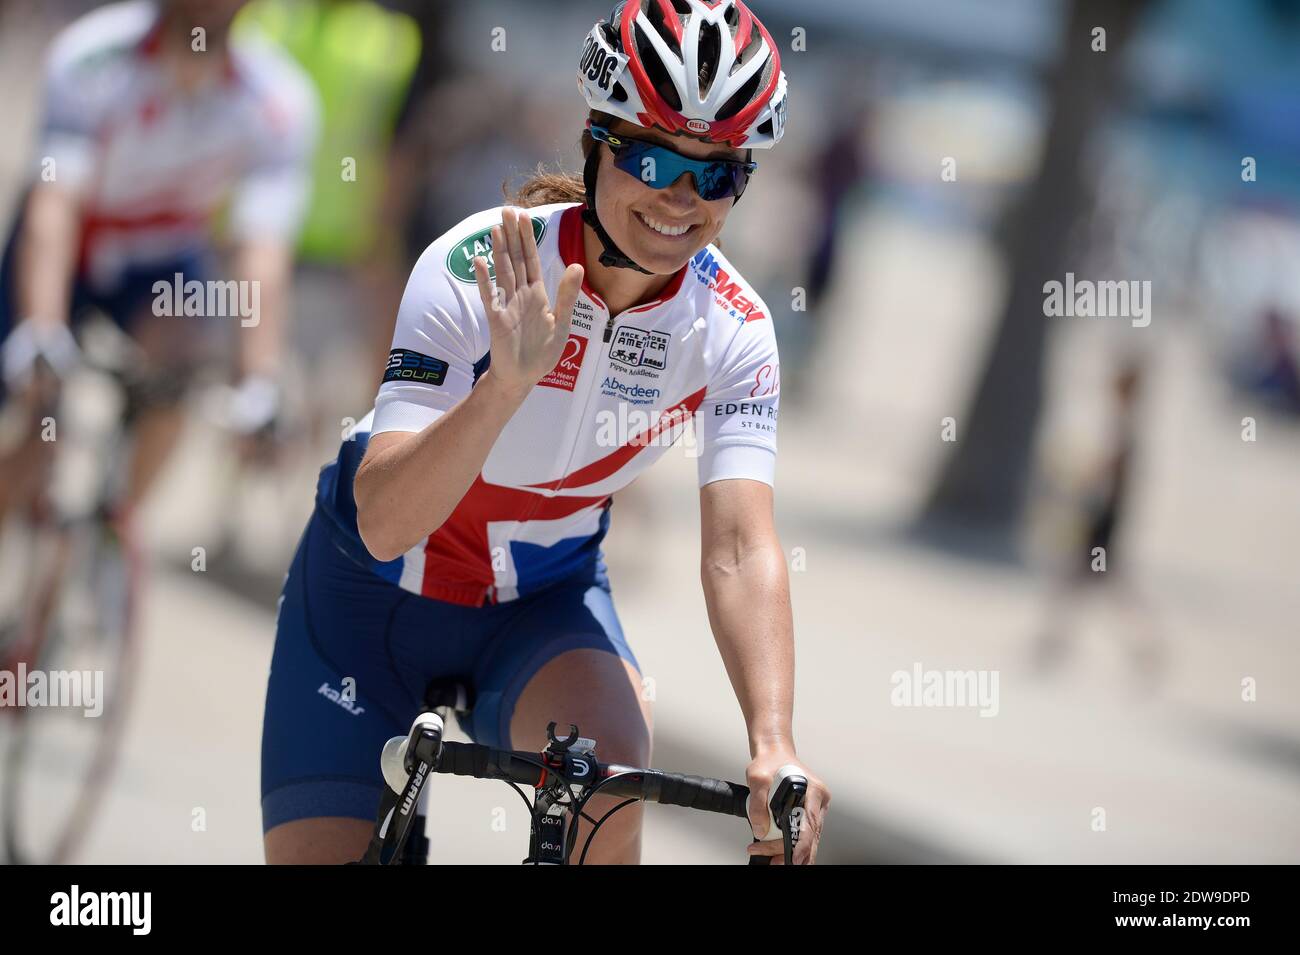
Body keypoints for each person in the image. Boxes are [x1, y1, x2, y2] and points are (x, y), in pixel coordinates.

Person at [260, 0, 829, 864]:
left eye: (717, 175)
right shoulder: (478, 265)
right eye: (653, 156)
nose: (682, 199)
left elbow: (742, 546)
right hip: (365, 597)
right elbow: (384, 520)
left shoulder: (735, 328)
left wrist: (773, 743)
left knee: (611, 778)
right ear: (597, 142)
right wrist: (505, 387)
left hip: (540, 603)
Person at [0, 0, 318, 527]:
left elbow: (261, 247)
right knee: (38, 425)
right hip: (72, 243)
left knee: (180, 378)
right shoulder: (92, 56)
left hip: (162, 261)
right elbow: (53, 204)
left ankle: (114, 530)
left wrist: (258, 379)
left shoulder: (279, 100)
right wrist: (41, 328)